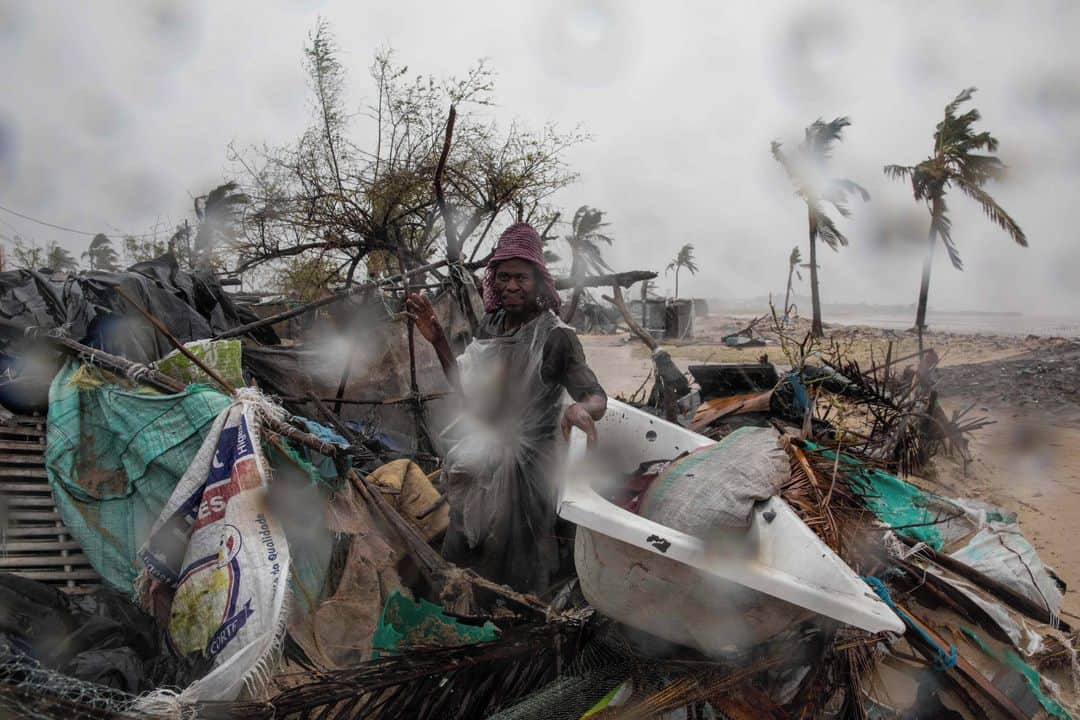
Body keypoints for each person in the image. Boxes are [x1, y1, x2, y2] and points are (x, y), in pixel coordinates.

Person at [406, 222, 606, 594]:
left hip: (532, 466)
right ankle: (471, 609)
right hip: (484, 454)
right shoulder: (492, 325)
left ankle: (521, 620)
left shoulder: (557, 338)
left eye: (521, 278)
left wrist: (581, 410)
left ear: (540, 283)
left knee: (522, 555)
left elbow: (596, 396)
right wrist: (438, 341)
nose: (511, 286)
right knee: (468, 542)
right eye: (503, 277)